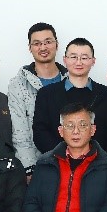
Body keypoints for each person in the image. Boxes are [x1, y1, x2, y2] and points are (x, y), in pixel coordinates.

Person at [32, 38, 107, 154]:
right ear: (65, 60)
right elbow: (40, 132)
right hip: (56, 160)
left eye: (84, 58)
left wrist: (91, 156)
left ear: (93, 61)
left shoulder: (105, 94)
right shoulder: (46, 94)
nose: (78, 62)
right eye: (73, 57)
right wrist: (65, 155)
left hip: (97, 161)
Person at [8, 22, 65, 170]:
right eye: (37, 43)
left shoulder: (70, 80)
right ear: (30, 48)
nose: (43, 47)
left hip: (72, 162)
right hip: (37, 165)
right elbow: (20, 133)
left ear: (57, 45)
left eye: (48, 42)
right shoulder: (18, 84)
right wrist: (29, 168)